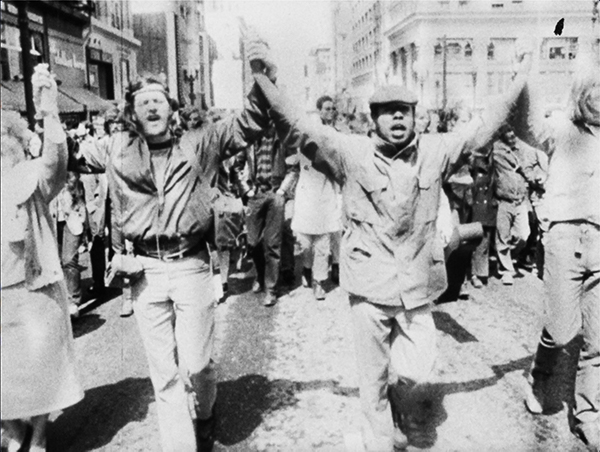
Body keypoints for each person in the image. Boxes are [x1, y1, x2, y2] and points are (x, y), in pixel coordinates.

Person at [247, 41, 532, 451]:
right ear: (373, 119)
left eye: (405, 109)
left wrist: (520, 78)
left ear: (416, 116)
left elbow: (484, 126)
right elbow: (297, 124)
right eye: (387, 110)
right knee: (371, 383)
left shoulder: (437, 150)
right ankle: (379, 441)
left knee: (418, 371)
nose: (397, 116)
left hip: (416, 286)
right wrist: (261, 77)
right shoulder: (350, 152)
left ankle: (402, 398)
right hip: (369, 288)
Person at [73, 44, 272, 451]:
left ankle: (204, 412)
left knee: (197, 366)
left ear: (171, 107)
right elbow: (68, 157)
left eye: (158, 100)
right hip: (144, 271)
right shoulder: (115, 147)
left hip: (192, 265)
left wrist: (262, 77)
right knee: (163, 374)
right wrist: (44, 115)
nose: (151, 107)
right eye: (142, 101)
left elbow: (252, 120)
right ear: (132, 111)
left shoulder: (203, 140)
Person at [511, 41, 599, 451]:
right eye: (595, 89)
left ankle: (587, 415)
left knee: (597, 341)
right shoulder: (563, 130)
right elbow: (526, 126)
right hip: (565, 240)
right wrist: (523, 74)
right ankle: (539, 375)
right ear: (582, 93)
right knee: (564, 333)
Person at [1, 64, 84, 452]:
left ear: (15, 142)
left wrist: (49, 108)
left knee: (38, 371)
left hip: (33, 292)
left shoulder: (30, 178)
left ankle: (38, 433)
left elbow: (55, 159)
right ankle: (14, 430)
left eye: (3, 137)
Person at [231, 123, 297, 306]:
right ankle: (260, 275)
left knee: (273, 243)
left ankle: (271, 289)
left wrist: (282, 191)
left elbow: (293, 167)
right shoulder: (249, 139)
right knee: (253, 242)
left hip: (275, 195)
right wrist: (247, 190)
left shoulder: (284, 136)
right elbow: (236, 167)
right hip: (256, 194)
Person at [491, 125, 537, 285]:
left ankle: (507, 257)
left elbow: (526, 167)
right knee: (502, 237)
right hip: (504, 200)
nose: (512, 139)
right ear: (502, 137)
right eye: (508, 136)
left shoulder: (520, 150)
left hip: (520, 201)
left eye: (513, 136)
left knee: (523, 235)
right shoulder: (496, 151)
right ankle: (507, 270)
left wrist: (532, 179)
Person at [316, 95, 343, 285]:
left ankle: (337, 265)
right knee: (321, 226)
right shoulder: (315, 132)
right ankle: (319, 266)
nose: (330, 112)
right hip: (319, 182)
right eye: (326, 108)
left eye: (333, 109)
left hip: (336, 183)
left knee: (337, 226)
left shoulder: (338, 132)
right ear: (319, 110)